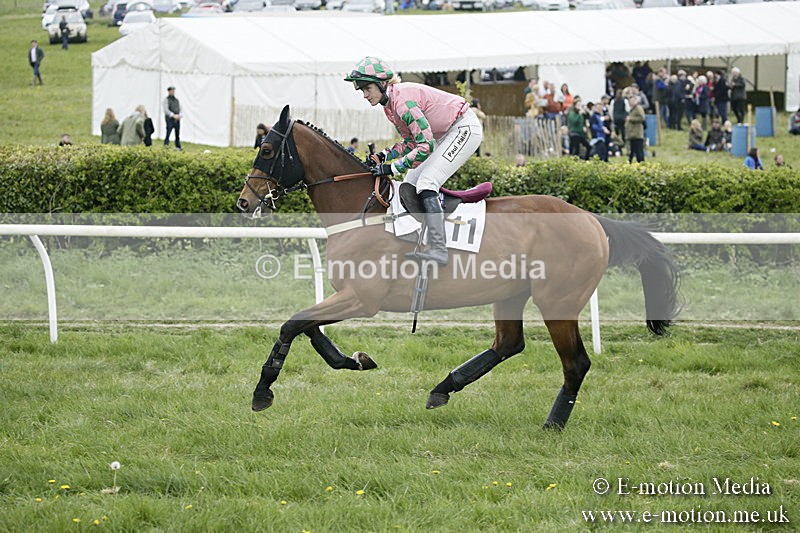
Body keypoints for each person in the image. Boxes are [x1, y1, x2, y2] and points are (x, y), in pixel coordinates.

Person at [344, 56, 483, 266]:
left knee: (427, 182)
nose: (364, 95)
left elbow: (425, 146)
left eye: (367, 88)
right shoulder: (390, 106)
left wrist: (391, 167)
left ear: (382, 84)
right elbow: (411, 142)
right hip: (442, 133)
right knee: (408, 184)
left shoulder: (403, 103)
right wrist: (384, 156)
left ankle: (439, 249)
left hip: (463, 128)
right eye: (361, 90)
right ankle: (416, 237)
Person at [625, 93, 645, 163]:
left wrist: (631, 119)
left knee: (639, 151)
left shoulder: (638, 108)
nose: (630, 102)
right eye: (629, 101)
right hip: (632, 134)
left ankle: (641, 163)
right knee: (632, 151)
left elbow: (642, 118)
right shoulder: (632, 109)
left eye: (632, 101)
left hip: (637, 134)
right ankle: (630, 162)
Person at [162, 86, 182, 150]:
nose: (173, 92)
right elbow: (166, 110)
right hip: (170, 119)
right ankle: (166, 146)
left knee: (177, 134)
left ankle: (178, 146)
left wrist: (179, 115)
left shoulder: (176, 100)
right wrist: (173, 115)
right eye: (172, 91)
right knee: (168, 133)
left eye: (173, 91)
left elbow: (180, 108)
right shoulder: (166, 100)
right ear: (169, 91)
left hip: (177, 119)